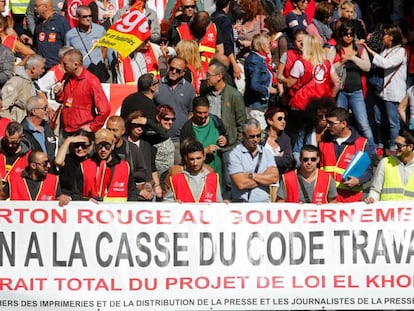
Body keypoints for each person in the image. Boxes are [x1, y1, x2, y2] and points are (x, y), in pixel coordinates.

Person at [329, 21, 375, 157]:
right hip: (341, 92)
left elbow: (367, 66)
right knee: (337, 123)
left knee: (363, 123)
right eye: (345, 34)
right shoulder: (334, 49)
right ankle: (336, 152)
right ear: (341, 35)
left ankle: (372, 153)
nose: (348, 37)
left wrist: (353, 58)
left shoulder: (360, 49)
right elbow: (327, 67)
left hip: (357, 92)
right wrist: (340, 62)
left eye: (351, 34)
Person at [202, 59, 246, 198]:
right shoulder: (205, 93)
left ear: (219, 76)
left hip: (229, 147)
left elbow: (241, 123)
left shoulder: (234, 95)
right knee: (209, 179)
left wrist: (235, 144)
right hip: (208, 144)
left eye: (209, 75)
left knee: (228, 181)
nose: (206, 77)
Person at [364, 24, 407, 156]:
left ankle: (393, 148)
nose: (383, 37)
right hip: (381, 92)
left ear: (392, 37)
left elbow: (385, 64)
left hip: (393, 93)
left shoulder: (400, 51)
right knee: (379, 120)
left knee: (393, 122)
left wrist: (368, 50)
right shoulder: (386, 50)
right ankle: (381, 144)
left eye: (386, 34)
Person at [319, 107, 373, 202]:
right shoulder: (323, 142)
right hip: (326, 199)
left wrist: (358, 180)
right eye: (328, 122)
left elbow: (368, 172)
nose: (328, 126)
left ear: (344, 124)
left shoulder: (361, 144)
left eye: (332, 123)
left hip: (349, 200)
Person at [56, 48, 110, 136]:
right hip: (66, 130)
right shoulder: (67, 78)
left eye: (65, 64)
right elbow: (63, 100)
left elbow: (105, 109)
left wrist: (93, 127)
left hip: (82, 132)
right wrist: (59, 94)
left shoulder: (91, 81)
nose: (62, 66)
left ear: (75, 65)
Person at [154, 56, 196, 164]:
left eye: (178, 70)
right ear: (168, 67)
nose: (173, 72)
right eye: (172, 68)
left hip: (179, 140)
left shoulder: (189, 89)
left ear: (183, 72)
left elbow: (191, 112)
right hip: (159, 139)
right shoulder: (156, 86)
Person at [228, 118, 278, 202]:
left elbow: (274, 178)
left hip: (263, 204)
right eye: (251, 136)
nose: (255, 139)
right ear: (243, 135)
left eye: (258, 136)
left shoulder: (267, 153)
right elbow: (241, 184)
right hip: (242, 204)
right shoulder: (235, 154)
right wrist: (264, 178)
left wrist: (251, 175)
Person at [180, 96, 227, 182]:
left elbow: (225, 134)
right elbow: (185, 154)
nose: (203, 116)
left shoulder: (215, 121)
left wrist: (224, 140)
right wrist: (205, 151)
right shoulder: (187, 129)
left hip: (217, 170)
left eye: (205, 112)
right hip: (199, 174)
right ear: (193, 111)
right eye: (199, 113)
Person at [0, 150, 71, 206]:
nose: (49, 165)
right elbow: (1, 196)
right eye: (45, 163)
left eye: (48, 162)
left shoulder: (53, 180)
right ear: (33, 165)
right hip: (19, 221)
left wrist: (64, 199)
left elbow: (59, 198)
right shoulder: (14, 180)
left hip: (44, 222)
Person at [165, 138, 222, 202]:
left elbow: (219, 202)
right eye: (192, 159)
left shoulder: (213, 178)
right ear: (186, 158)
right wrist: (174, 204)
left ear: (204, 157)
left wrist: (226, 206)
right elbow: (166, 203)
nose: (195, 163)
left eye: (198, 158)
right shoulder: (177, 179)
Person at [366, 129, 414, 202]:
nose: (395, 147)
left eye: (399, 145)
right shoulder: (385, 163)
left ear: (410, 147)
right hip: (388, 212)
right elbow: (375, 189)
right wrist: (372, 198)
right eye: (394, 143)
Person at [90, 128, 138, 201]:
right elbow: (76, 194)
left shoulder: (125, 166)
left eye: (107, 146)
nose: (103, 149)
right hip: (92, 211)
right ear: (95, 147)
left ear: (112, 146)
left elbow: (132, 192)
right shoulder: (85, 166)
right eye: (100, 146)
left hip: (119, 211)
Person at [1, 54, 45, 123]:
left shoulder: (31, 83)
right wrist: (11, 126)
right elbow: (3, 107)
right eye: (42, 68)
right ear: (33, 69)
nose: (43, 71)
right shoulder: (16, 82)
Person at [54, 129, 96, 200]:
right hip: (68, 199)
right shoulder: (67, 159)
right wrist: (68, 140)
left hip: (86, 200)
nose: (80, 148)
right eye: (76, 145)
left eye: (84, 146)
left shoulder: (93, 161)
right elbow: (58, 162)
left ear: (90, 146)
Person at [106, 115, 146, 186]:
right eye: (109, 129)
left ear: (123, 131)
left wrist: (126, 174)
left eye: (115, 130)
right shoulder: (101, 148)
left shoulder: (133, 148)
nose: (111, 133)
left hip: (127, 187)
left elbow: (142, 172)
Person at [31, 0, 71, 70]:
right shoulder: (39, 23)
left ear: (45, 7)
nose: (34, 8)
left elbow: (68, 45)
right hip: (40, 67)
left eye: (37, 6)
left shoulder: (61, 21)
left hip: (55, 67)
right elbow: (36, 44)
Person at [244, 33, 277, 110]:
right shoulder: (255, 61)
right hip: (256, 103)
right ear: (261, 45)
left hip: (261, 102)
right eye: (268, 43)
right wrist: (267, 90)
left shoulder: (262, 59)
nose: (270, 45)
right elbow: (254, 85)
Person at [211, 0, 241, 80]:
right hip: (225, 63)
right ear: (229, 3)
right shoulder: (225, 20)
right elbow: (227, 45)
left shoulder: (213, 16)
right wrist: (235, 65)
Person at [21, 96, 56, 162]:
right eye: (45, 108)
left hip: (50, 170)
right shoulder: (22, 132)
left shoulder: (47, 127)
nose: (48, 110)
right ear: (34, 111)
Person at [262, 106, 293, 174]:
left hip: (278, 177)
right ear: (270, 121)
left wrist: (265, 158)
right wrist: (277, 157)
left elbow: (287, 161)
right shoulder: (260, 137)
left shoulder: (286, 139)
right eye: (280, 119)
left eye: (284, 119)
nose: (283, 121)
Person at [154, 105, 175, 189]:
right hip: (157, 182)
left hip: (167, 179)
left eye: (172, 119)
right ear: (158, 118)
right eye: (166, 119)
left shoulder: (167, 134)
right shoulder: (154, 136)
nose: (170, 122)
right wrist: (156, 184)